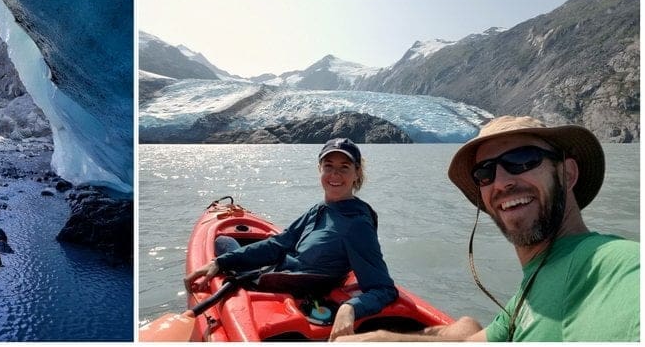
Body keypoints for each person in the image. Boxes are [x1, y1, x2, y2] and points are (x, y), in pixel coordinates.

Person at [338, 116, 640, 342]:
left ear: (567, 173)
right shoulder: (526, 295)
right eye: (485, 173)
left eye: (522, 160)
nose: (501, 181)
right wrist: (382, 339)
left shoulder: (614, 266)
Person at [184, 138, 398, 340]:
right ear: (320, 170)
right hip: (279, 271)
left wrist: (350, 307)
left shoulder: (358, 224)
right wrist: (222, 262)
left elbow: (383, 288)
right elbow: (280, 243)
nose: (335, 174)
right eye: (329, 166)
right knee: (223, 245)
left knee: (223, 244)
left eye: (344, 167)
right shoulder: (320, 209)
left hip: (295, 286)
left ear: (357, 173)